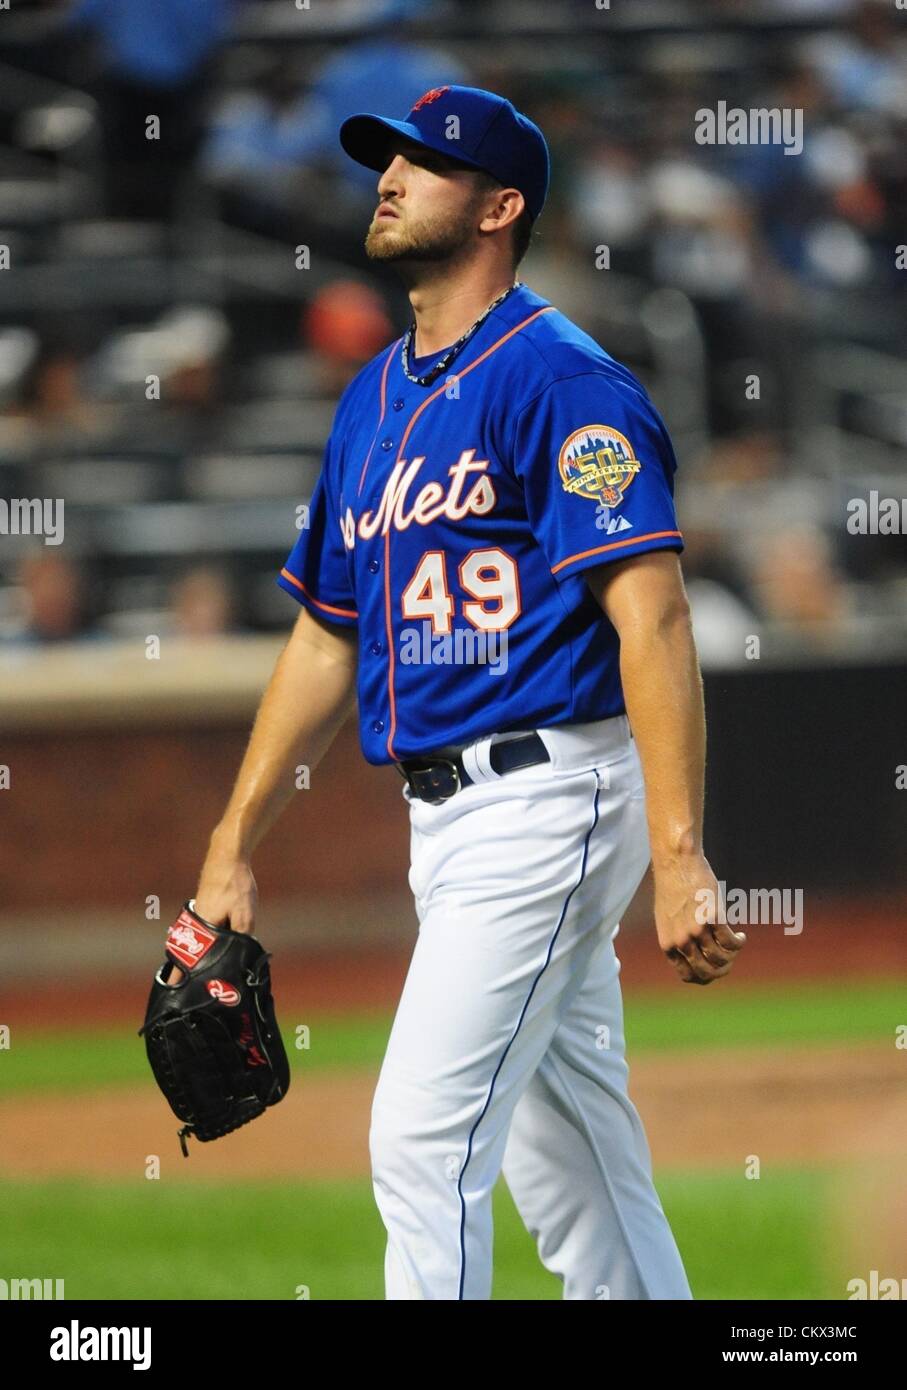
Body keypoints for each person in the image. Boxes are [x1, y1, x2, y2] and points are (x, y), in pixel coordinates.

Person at [188, 86, 745, 1300]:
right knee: (573, 1168)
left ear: (499, 207)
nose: (388, 177)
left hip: (550, 795)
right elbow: (327, 637)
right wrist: (233, 841)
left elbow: (649, 612)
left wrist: (680, 851)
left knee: (421, 1137)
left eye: (425, 164)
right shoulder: (372, 399)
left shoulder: (559, 379)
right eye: (386, 159)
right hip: (446, 823)